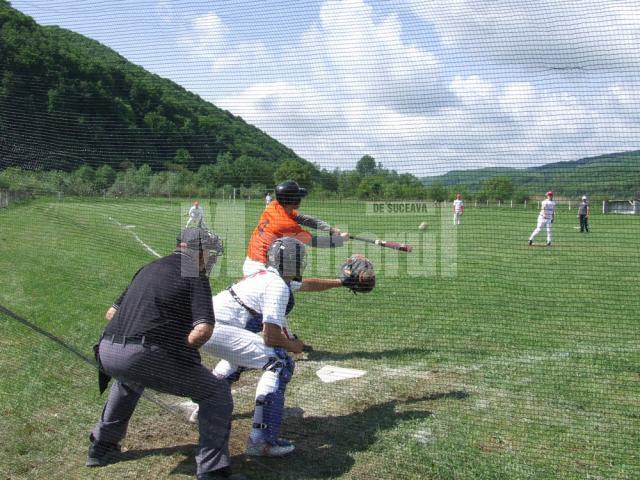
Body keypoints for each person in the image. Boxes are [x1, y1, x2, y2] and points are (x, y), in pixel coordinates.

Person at [88, 228, 246, 480]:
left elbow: (111, 313)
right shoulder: (194, 272)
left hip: (107, 351)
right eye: (211, 253)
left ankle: (101, 446)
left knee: (129, 380)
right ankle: (214, 471)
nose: (212, 259)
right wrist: (181, 349)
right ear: (200, 252)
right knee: (215, 392)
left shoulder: (148, 267)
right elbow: (202, 331)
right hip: (142, 355)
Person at [196, 238, 354, 457]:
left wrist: (341, 282)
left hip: (206, 325)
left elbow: (308, 284)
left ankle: (204, 408)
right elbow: (270, 336)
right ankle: (261, 441)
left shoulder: (265, 275)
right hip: (214, 329)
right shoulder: (278, 285)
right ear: (294, 263)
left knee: (244, 356)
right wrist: (294, 345)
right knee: (279, 362)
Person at [244, 180, 348, 278]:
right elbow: (314, 241)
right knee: (292, 288)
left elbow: (303, 219)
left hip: (253, 260)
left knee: (289, 290)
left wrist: (330, 229)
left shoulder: (274, 205)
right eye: (298, 197)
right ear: (294, 200)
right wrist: (340, 240)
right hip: (261, 268)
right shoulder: (285, 224)